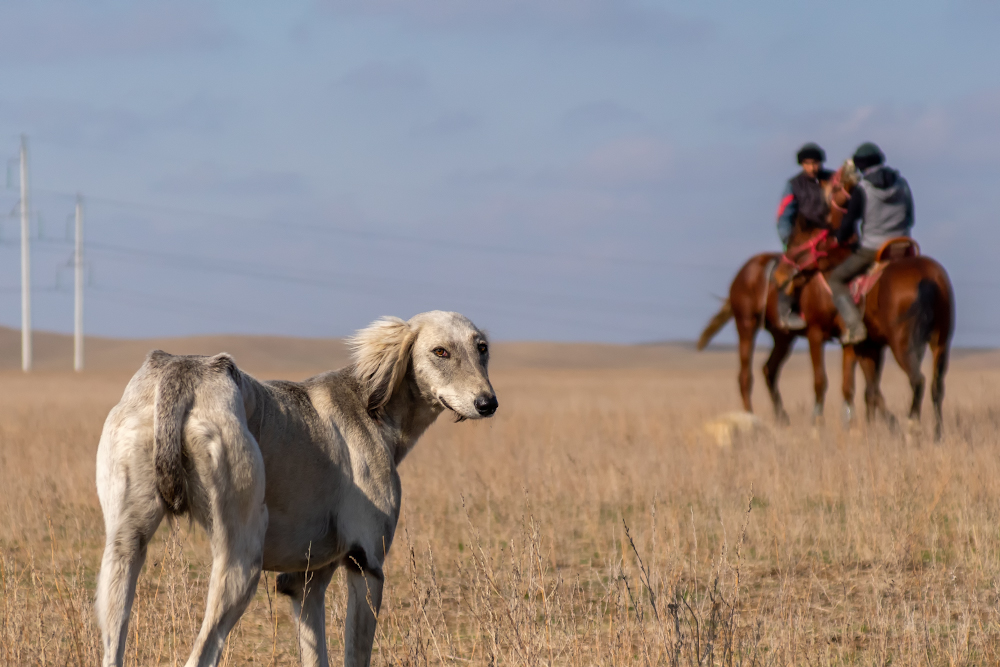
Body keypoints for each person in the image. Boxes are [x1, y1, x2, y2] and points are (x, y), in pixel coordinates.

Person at [829, 142, 915, 344]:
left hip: (873, 249)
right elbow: (910, 217)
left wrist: (839, 238)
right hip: (904, 245)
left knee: (836, 279)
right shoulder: (902, 183)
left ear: (860, 166)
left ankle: (855, 327)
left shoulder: (863, 189)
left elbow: (850, 222)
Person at [774, 142, 833, 329]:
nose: (812, 167)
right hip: (804, 239)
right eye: (808, 163)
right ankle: (787, 311)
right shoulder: (794, 185)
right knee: (787, 271)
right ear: (802, 164)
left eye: (815, 163)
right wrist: (788, 242)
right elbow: (783, 216)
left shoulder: (832, 180)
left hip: (829, 237)